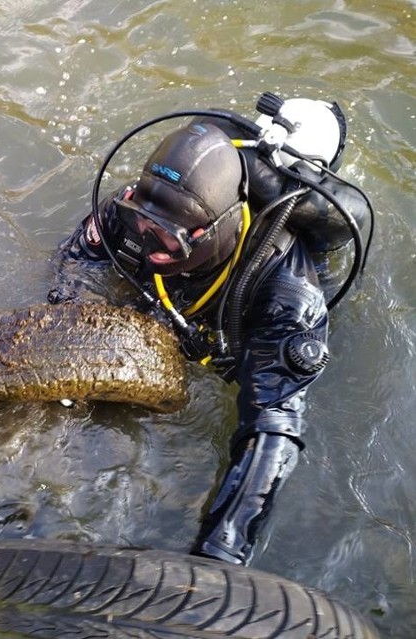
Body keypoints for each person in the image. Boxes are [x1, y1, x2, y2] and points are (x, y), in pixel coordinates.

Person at [48, 95, 372, 565]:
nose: (144, 239)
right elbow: (75, 264)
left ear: (217, 229)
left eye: (167, 238)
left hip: (240, 328)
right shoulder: (133, 211)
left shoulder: (285, 292)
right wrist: (75, 334)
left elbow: (271, 429)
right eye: (138, 221)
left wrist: (220, 556)